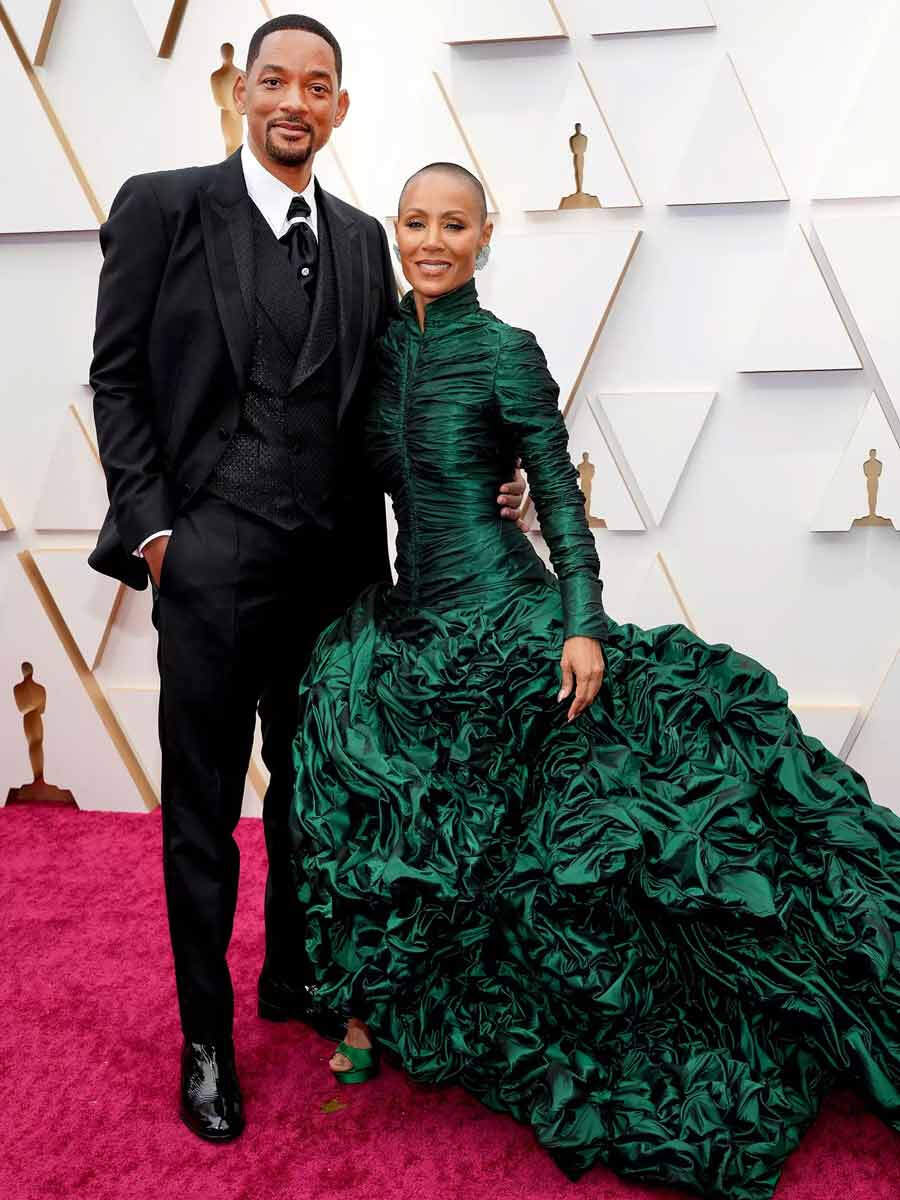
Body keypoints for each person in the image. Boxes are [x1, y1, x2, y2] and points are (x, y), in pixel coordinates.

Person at [289, 162, 900, 1199]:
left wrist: (581, 627)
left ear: (487, 237)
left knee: (615, 824)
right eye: (415, 222)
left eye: (454, 224)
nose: (431, 240)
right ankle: (367, 1004)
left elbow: (560, 507)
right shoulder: (376, 350)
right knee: (340, 730)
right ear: (395, 230)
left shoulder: (505, 354)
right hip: (414, 623)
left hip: (514, 616)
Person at [88, 14, 526, 1143]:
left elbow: (381, 409)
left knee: (312, 798)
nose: (295, 99)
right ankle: (205, 1041)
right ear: (242, 90)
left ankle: (293, 976)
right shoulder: (162, 205)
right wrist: (154, 534)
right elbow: (119, 378)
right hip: (209, 562)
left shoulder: (365, 235)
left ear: (339, 106)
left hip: (334, 573)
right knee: (200, 815)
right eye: (275, 79)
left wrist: (487, 482)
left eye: (317, 84)